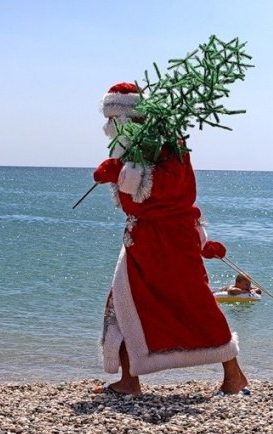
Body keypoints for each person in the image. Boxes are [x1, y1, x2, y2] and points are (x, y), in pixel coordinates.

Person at [91, 82, 248, 396]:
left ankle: (234, 377)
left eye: (113, 118)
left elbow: (172, 192)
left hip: (170, 243)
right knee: (123, 304)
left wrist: (119, 173)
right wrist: (120, 170)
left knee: (195, 302)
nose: (108, 126)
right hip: (142, 242)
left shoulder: (167, 145)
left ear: (129, 116)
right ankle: (129, 380)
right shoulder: (132, 146)